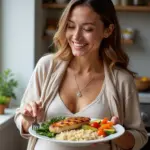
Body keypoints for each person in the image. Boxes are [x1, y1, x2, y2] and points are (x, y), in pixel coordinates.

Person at [14, 0, 148, 150]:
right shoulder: (47, 66)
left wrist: (116, 133)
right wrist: (28, 119)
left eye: (88, 29)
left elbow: (139, 137)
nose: (76, 36)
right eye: (70, 26)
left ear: (108, 30)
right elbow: (22, 120)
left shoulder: (122, 80)